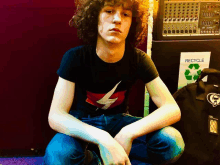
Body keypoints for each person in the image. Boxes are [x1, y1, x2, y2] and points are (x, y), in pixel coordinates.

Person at [43, 0, 185, 164]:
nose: (117, 19)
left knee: (172, 142)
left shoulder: (139, 59)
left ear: (132, 23)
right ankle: (99, 158)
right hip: (83, 125)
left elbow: (172, 108)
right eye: (109, 11)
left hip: (120, 122)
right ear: (95, 17)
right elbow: (56, 115)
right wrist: (102, 138)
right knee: (58, 156)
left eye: (125, 14)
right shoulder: (75, 57)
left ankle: (116, 156)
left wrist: (129, 132)